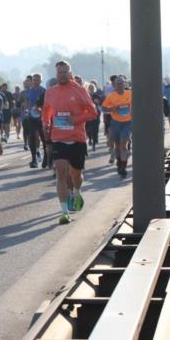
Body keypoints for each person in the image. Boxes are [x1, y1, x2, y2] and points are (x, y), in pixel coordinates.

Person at [43, 60, 98, 225]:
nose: (62, 75)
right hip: (58, 137)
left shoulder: (80, 90)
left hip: (77, 138)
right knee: (60, 172)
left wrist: (75, 119)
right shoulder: (51, 92)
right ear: (56, 74)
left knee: (76, 174)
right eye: (59, 72)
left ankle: (76, 191)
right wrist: (46, 123)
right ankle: (64, 212)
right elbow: (46, 110)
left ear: (70, 73)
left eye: (65, 72)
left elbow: (93, 112)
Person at [102, 75, 133, 179]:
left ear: (125, 84)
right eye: (118, 83)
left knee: (123, 144)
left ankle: (123, 168)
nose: (120, 85)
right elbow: (103, 108)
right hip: (116, 122)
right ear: (114, 85)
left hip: (127, 122)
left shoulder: (130, 93)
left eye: (121, 83)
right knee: (117, 146)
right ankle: (119, 163)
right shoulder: (111, 96)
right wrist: (112, 109)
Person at [21, 73, 46, 168]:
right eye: (34, 80)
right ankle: (34, 159)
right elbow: (26, 105)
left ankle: (46, 158)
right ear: (32, 81)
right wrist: (26, 112)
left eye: (37, 80)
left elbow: (47, 105)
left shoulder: (44, 91)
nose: (35, 81)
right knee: (31, 137)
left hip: (42, 117)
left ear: (40, 81)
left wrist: (42, 111)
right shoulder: (28, 92)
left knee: (44, 138)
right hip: (31, 118)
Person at [86, 82, 103, 151]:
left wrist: (97, 102)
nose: (91, 89)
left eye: (92, 88)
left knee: (95, 129)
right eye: (90, 88)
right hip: (88, 114)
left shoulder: (96, 95)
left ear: (94, 89)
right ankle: (90, 139)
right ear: (88, 89)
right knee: (88, 129)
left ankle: (94, 143)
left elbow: (100, 102)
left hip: (96, 114)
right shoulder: (86, 95)